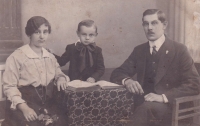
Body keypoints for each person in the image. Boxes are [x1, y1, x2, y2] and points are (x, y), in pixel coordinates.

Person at [110, 9, 200, 126]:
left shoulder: (179, 50)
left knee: (143, 110)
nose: (150, 28)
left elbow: (194, 84)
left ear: (164, 25)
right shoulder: (139, 50)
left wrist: (163, 97)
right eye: (146, 24)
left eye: (154, 23)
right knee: (114, 107)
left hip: (170, 106)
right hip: (142, 103)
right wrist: (128, 81)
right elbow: (117, 73)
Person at [2, 16, 70, 126]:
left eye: (45, 32)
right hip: (25, 103)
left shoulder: (50, 57)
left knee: (64, 120)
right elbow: (9, 87)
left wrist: (61, 77)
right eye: (37, 32)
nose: (42, 36)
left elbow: (58, 71)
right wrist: (24, 108)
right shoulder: (17, 57)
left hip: (46, 104)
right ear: (29, 34)